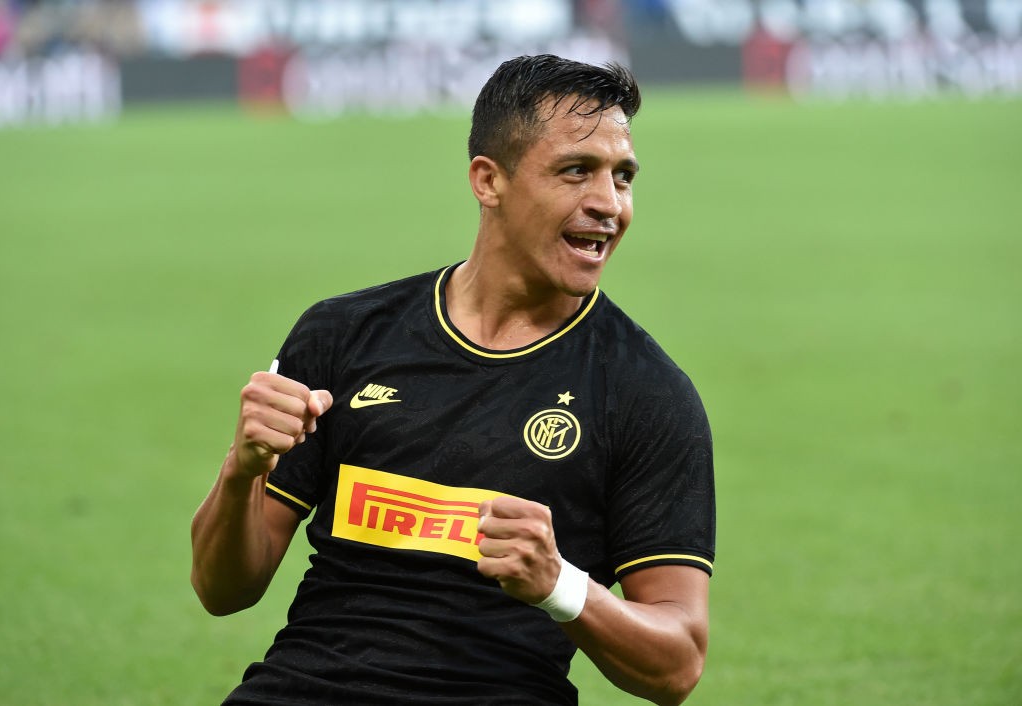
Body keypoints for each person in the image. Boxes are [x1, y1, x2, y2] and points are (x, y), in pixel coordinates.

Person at [190, 54, 715, 706]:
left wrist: (561, 585)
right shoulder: (343, 336)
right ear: (488, 180)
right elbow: (222, 590)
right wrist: (243, 471)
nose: (608, 204)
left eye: (624, 177)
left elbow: (678, 665)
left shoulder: (645, 392)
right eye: (576, 171)